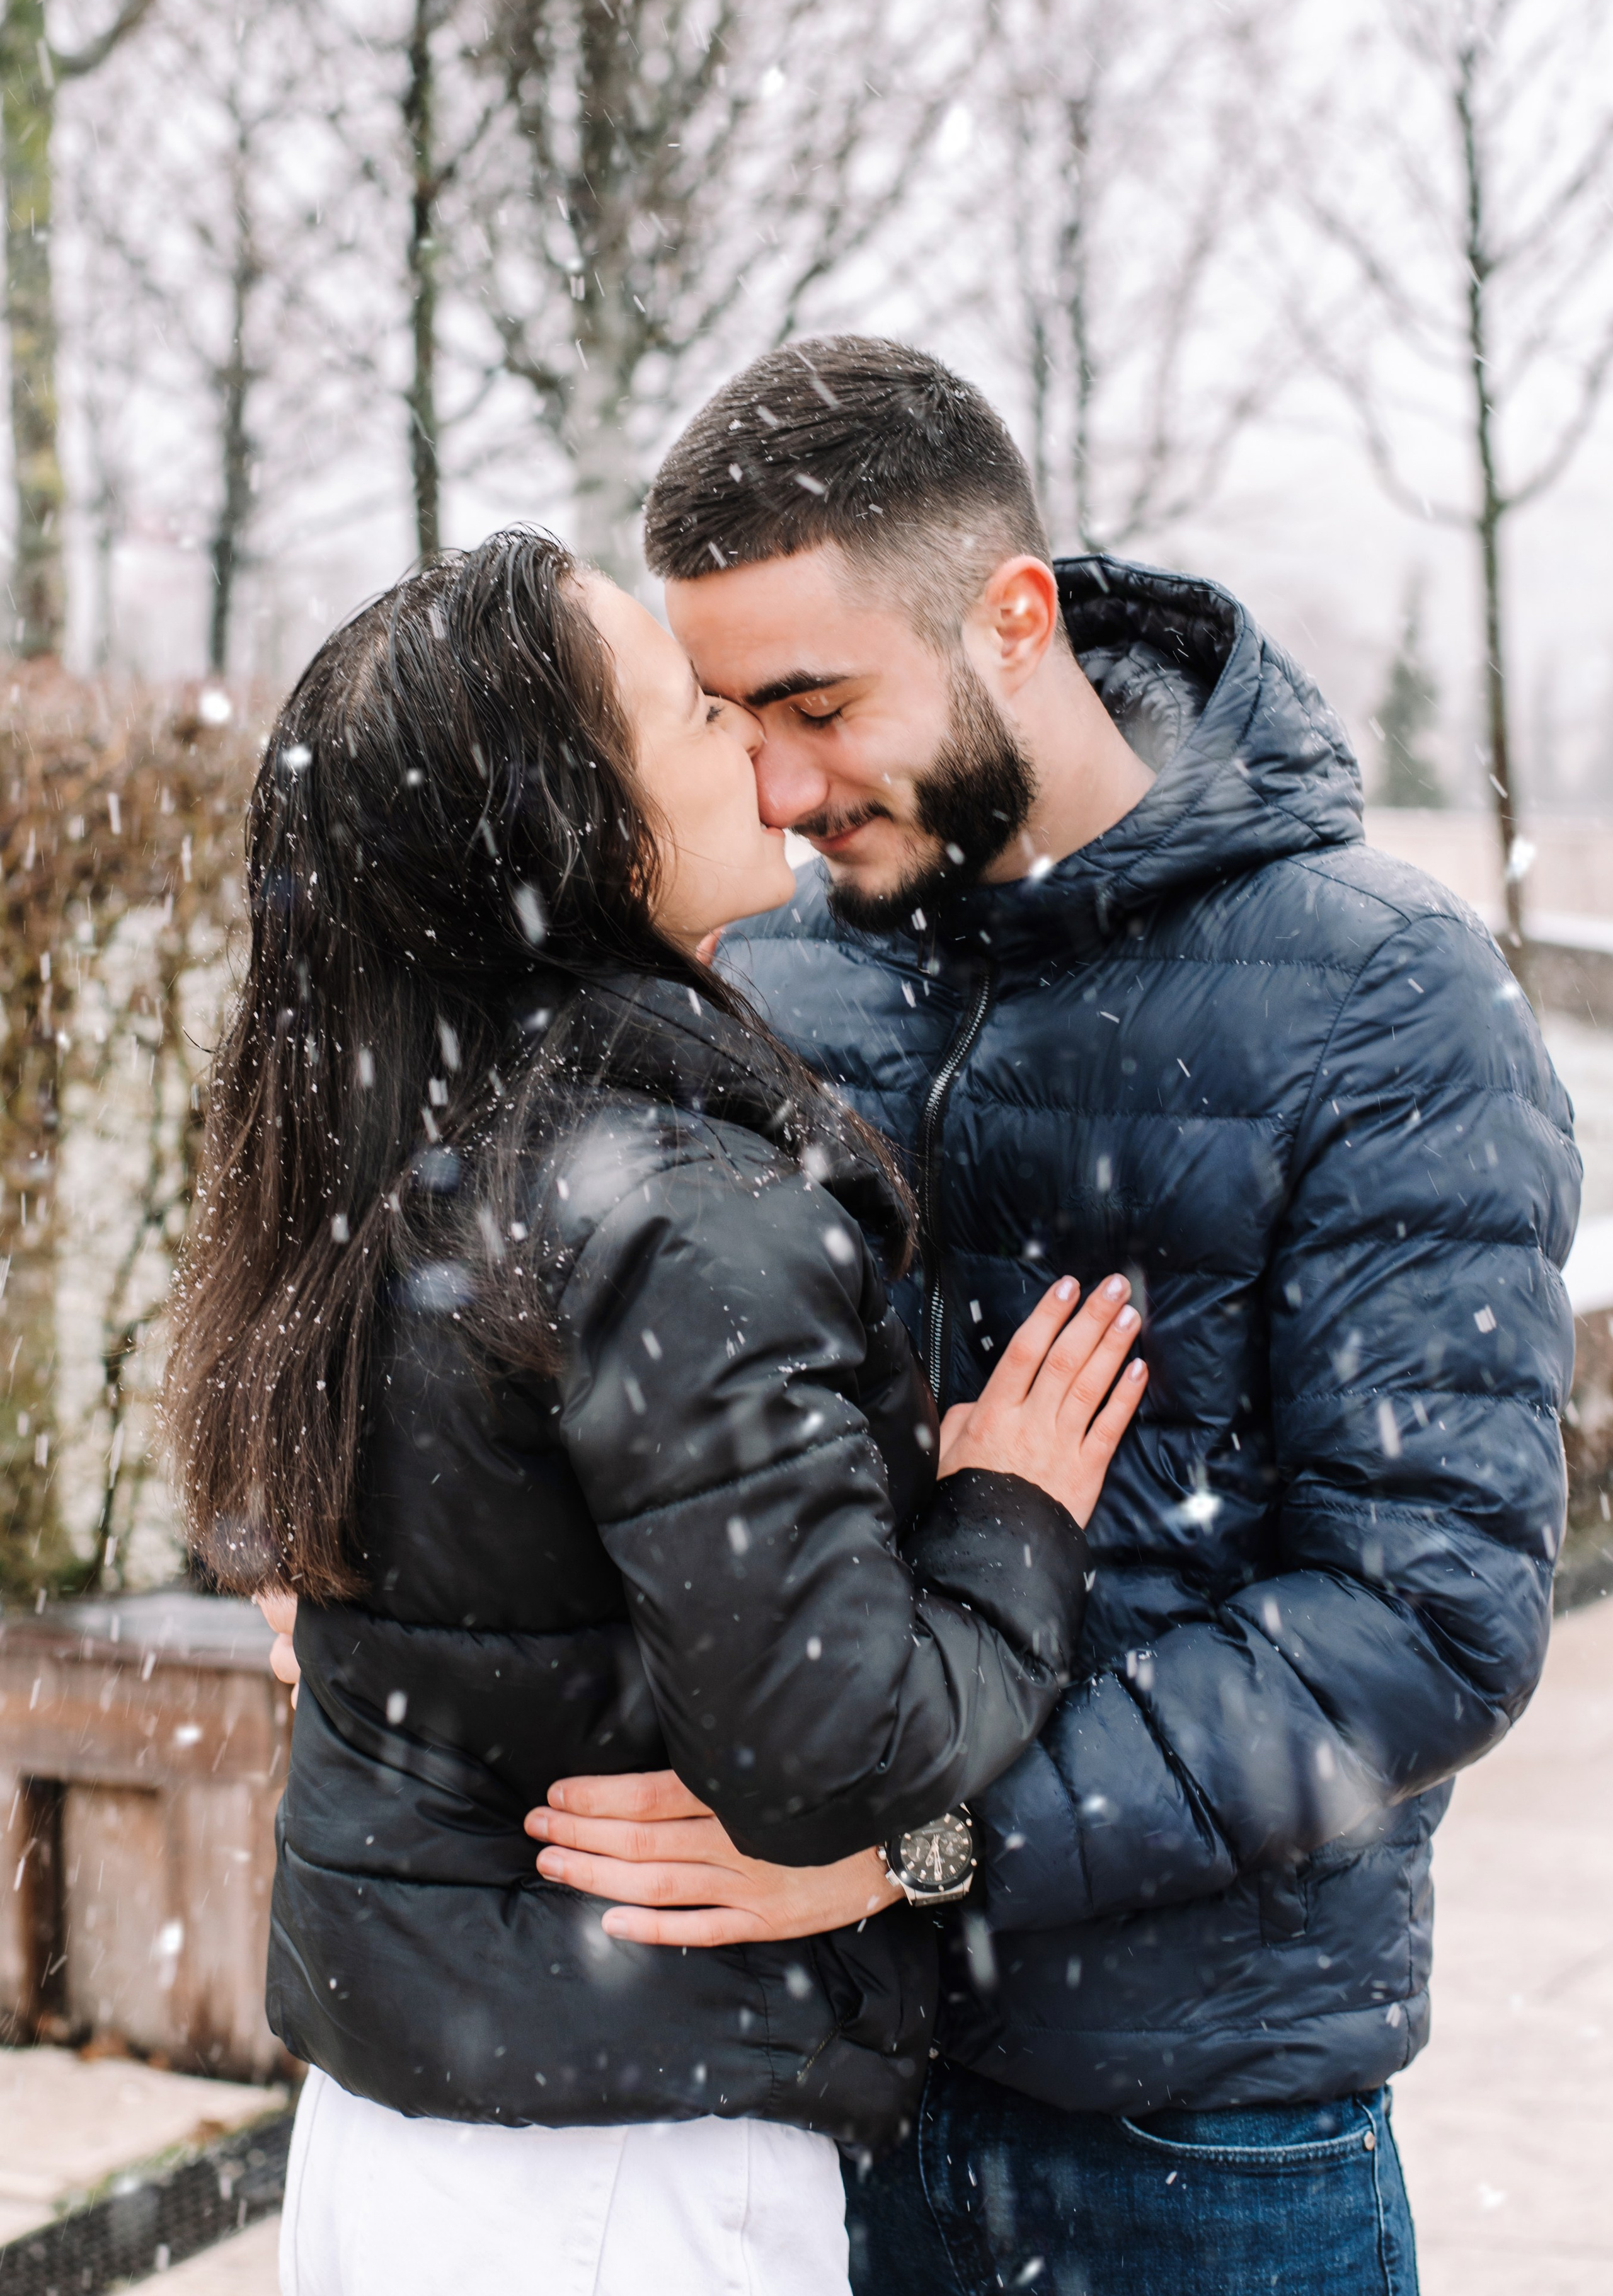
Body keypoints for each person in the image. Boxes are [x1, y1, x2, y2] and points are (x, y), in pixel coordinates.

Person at [532, 336, 1581, 2296]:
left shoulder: (1383, 995)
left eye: (820, 704)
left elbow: (1428, 1619)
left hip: (1193, 2147)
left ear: (1014, 618)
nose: (777, 787)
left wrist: (916, 1844)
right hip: (800, 2107)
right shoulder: (771, 976)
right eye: (731, 716)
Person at [162, 527, 1152, 2296]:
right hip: (623, 2162)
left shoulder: (401, 1147)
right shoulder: (673, 1209)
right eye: (694, 714)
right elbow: (832, 1757)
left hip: (405, 2126)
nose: (754, 745)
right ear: (581, 830)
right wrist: (1012, 1519)